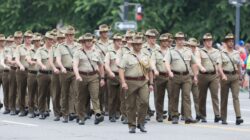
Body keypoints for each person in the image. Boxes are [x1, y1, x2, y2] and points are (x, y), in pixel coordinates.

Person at [164, 32, 205, 124]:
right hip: (175, 76)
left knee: (186, 96)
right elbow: (166, 62)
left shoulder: (188, 51)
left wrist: (198, 71)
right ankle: (174, 116)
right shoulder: (171, 51)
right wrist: (169, 71)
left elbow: (194, 63)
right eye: (178, 39)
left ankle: (188, 117)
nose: (180, 41)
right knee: (175, 96)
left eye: (182, 39)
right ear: (176, 40)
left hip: (186, 76)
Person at [119, 34, 153, 133]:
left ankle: (141, 123)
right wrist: (123, 82)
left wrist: (151, 83)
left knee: (145, 102)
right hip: (130, 81)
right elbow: (121, 69)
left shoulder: (146, 55)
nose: (138, 46)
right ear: (133, 45)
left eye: (140, 44)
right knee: (131, 104)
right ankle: (132, 125)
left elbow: (150, 70)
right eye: (136, 44)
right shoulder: (127, 56)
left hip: (143, 81)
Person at [73, 33, 105, 125]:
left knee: (95, 96)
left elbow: (101, 65)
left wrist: (102, 78)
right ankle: (81, 116)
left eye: (90, 41)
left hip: (93, 76)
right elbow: (75, 65)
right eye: (87, 41)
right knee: (81, 97)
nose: (89, 42)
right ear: (83, 42)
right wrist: (77, 75)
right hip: (82, 76)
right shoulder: (78, 52)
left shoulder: (96, 52)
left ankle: (98, 114)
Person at [55, 25, 81, 123]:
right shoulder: (60, 46)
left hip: (75, 72)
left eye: (72, 35)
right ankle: (65, 114)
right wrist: (61, 67)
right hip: (65, 72)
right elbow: (57, 59)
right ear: (65, 36)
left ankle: (76, 113)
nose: (70, 37)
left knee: (76, 93)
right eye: (68, 35)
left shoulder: (78, 46)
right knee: (64, 93)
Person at [218, 33, 244, 125]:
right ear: (226, 43)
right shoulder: (221, 53)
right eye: (229, 41)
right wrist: (222, 75)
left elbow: (239, 65)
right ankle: (223, 118)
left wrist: (240, 77)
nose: (231, 43)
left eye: (232, 41)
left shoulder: (237, 53)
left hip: (234, 77)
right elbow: (219, 66)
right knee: (224, 98)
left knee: (236, 97)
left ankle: (238, 117)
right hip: (225, 76)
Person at [198, 33, 221, 123]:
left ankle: (217, 115)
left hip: (213, 76)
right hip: (203, 75)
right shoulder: (200, 51)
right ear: (204, 42)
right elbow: (198, 61)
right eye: (207, 40)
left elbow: (218, 63)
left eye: (210, 40)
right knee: (202, 96)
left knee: (215, 95)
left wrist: (220, 73)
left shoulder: (216, 51)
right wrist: (201, 67)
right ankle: (202, 115)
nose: (209, 42)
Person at [151, 33, 171, 122]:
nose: (165, 43)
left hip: (170, 76)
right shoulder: (155, 52)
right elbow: (152, 62)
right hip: (159, 76)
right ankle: (159, 115)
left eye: (166, 41)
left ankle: (172, 114)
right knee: (159, 96)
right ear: (160, 42)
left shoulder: (172, 51)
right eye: (163, 41)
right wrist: (155, 70)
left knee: (172, 96)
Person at [35, 32, 54, 119]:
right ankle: (41, 111)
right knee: (42, 94)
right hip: (42, 74)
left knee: (53, 93)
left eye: (52, 39)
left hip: (53, 74)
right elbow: (38, 60)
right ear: (45, 40)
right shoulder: (40, 50)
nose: (51, 41)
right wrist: (42, 65)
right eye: (49, 39)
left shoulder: (55, 49)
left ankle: (56, 112)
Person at [104, 33, 123, 122]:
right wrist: (110, 72)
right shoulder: (110, 53)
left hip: (121, 76)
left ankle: (118, 112)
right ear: (114, 42)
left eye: (120, 41)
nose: (119, 42)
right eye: (117, 41)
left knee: (121, 96)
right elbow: (106, 64)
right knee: (112, 97)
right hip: (112, 76)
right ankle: (111, 114)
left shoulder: (125, 52)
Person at [15, 30, 33, 117]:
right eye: (27, 38)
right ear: (24, 38)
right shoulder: (19, 48)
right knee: (21, 91)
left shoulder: (34, 48)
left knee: (32, 91)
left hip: (31, 72)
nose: (28, 39)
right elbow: (17, 59)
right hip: (21, 71)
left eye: (30, 38)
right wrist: (20, 65)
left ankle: (31, 109)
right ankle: (22, 110)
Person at [26, 33, 41, 118]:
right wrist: (31, 61)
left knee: (40, 93)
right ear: (33, 42)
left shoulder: (43, 50)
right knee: (31, 93)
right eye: (35, 41)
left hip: (40, 73)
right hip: (32, 73)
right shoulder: (30, 51)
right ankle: (31, 110)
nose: (37, 42)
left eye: (38, 41)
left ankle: (39, 109)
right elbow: (28, 59)